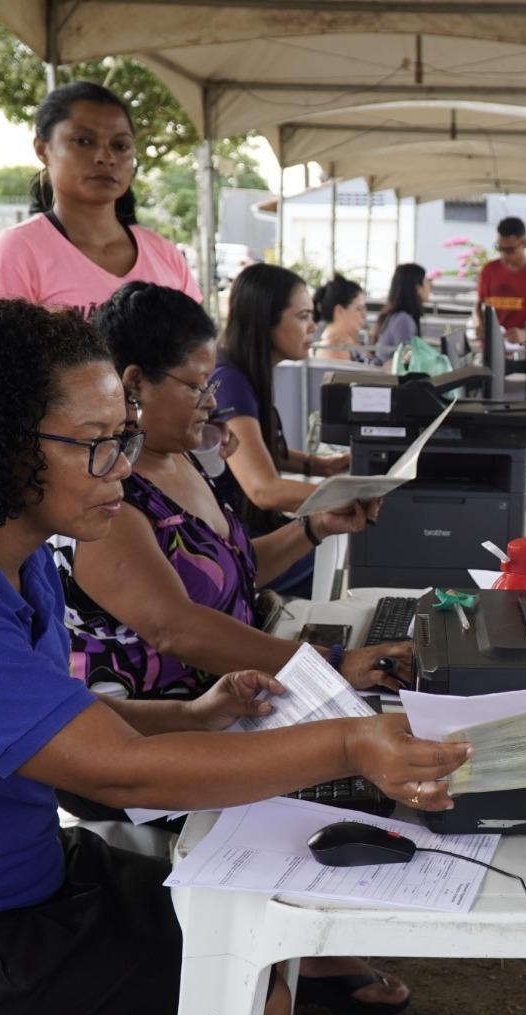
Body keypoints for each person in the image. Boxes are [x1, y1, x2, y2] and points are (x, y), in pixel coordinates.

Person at [0, 298, 469, 1015]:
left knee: (250, 932)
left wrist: (200, 716)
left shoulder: (5, 559)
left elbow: (65, 718)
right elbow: (115, 773)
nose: (121, 465)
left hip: (11, 890)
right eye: (94, 445)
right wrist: (352, 742)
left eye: (122, 437)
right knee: (239, 982)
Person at [60, 282, 408, 703]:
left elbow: (234, 573)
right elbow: (177, 629)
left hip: (235, 698)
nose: (210, 403)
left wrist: (314, 528)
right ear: (135, 383)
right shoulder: (109, 494)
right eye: (197, 386)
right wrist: (334, 663)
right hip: (163, 728)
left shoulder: (180, 460)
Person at [0, 81, 198, 316]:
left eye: (120, 145)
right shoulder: (15, 253)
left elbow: (198, 348)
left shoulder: (165, 255)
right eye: (83, 141)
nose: (106, 157)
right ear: (42, 149)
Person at [212, 263, 350, 541]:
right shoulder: (230, 383)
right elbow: (263, 488)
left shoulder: (244, 374)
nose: (313, 326)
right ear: (264, 321)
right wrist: (347, 498)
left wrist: (321, 465)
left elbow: (257, 451)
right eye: (303, 316)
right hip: (240, 545)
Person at [477, 216, 526, 342]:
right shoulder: (488, 270)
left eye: (510, 249)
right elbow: (479, 305)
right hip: (491, 348)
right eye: (500, 248)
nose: (504, 255)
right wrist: (480, 325)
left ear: (524, 243)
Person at [371, 262, 430, 364]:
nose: (429, 287)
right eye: (426, 281)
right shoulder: (403, 320)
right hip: (391, 379)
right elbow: (408, 361)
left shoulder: (396, 317)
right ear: (417, 288)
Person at [312, 275, 367, 360]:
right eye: (359, 309)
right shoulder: (332, 349)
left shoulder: (350, 341)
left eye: (364, 308)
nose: (364, 315)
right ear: (339, 310)